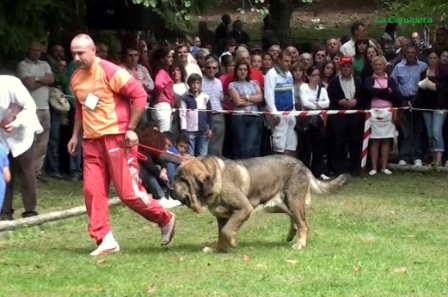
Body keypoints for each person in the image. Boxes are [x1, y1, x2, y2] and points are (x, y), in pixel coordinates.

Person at [67, 34, 176, 256]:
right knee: (92, 191)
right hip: (91, 142)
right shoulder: (75, 78)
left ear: (93, 50)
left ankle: (165, 217)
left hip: (117, 138)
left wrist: (131, 129)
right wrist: (75, 135)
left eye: (81, 53)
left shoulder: (110, 71)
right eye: (74, 54)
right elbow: (81, 108)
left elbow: (139, 95)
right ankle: (104, 239)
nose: (77, 58)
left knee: (129, 194)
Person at [0, 75, 43, 220]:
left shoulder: (10, 83)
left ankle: (30, 211)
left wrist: (16, 123)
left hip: (23, 132)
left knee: (26, 171)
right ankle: (4, 212)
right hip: (2, 136)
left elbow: (30, 107)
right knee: (4, 172)